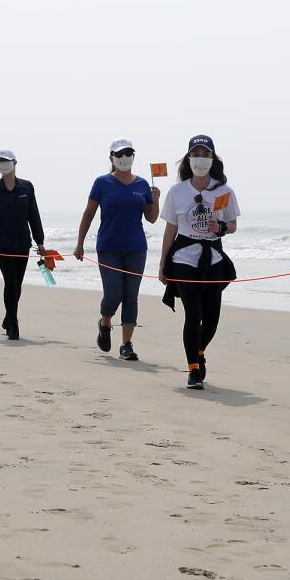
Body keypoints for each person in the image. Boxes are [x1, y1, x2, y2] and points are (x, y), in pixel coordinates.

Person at [158, 135, 240, 389]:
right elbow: (171, 228)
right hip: (184, 258)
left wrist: (222, 226)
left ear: (213, 159)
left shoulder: (223, 190)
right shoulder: (177, 191)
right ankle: (193, 368)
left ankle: (200, 350)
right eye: (196, 154)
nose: (200, 159)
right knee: (193, 314)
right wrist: (162, 265)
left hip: (213, 258)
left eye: (205, 154)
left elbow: (233, 225)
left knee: (212, 317)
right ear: (188, 159)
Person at [74, 138, 160, 361]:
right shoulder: (102, 182)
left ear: (134, 156)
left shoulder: (142, 185)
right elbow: (89, 213)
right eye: (119, 154)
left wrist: (156, 199)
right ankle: (105, 322)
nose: (124, 158)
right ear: (111, 157)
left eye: (128, 154)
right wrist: (80, 243)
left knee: (131, 296)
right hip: (108, 247)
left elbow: (151, 218)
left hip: (136, 248)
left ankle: (126, 345)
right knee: (114, 294)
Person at [0, 149, 46, 340]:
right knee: (11, 281)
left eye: (5, 161)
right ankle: (13, 325)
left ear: (15, 162)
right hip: (1, 244)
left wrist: (40, 241)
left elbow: (34, 214)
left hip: (22, 243)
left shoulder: (26, 187)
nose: (2, 165)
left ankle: (8, 316)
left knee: (18, 284)